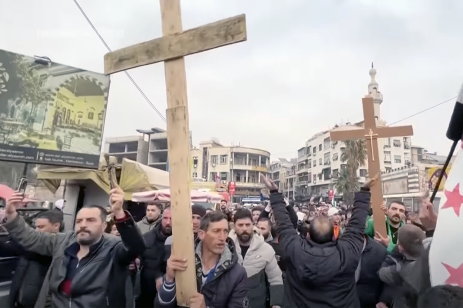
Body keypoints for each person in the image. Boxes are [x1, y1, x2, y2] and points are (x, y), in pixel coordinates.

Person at [1, 185, 146, 308]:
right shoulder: (63, 241)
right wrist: (11, 214)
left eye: (90, 220)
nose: (83, 225)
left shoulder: (114, 247)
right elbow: (31, 238)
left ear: (103, 225)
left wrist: (119, 213)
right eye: (79, 221)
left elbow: (136, 247)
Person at [263, 173, 376, 308]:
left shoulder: (295, 250)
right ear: (334, 236)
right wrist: (364, 191)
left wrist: (274, 193)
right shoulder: (347, 253)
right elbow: (357, 224)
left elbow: (284, 223)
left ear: (308, 235)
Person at [154, 211, 249, 308]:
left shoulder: (238, 274)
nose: (222, 237)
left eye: (225, 231)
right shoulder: (184, 262)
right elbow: (159, 306)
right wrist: (169, 280)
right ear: (201, 234)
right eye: (216, 231)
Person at [1, 210, 63, 308]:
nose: (37, 231)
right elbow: (10, 248)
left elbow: (25, 250)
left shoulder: (58, 248)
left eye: (41, 227)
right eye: (36, 227)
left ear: (56, 226)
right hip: (19, 299)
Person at [229, 209, 284, 308]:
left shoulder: (266, 249)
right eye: (240, 225)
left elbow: (275, 278)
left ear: (253, 225)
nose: (244, 228)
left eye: (247, 225)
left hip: (257, 302)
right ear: (234, 226)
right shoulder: (226, 248)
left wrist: (276, 303)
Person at [138, 207, 173, 308]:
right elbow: (143, 261)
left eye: (172, 219)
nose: (168, 222)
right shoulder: (147, 238)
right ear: (161, 218)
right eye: (166, 218)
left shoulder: (182, 239)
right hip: (147, 291)